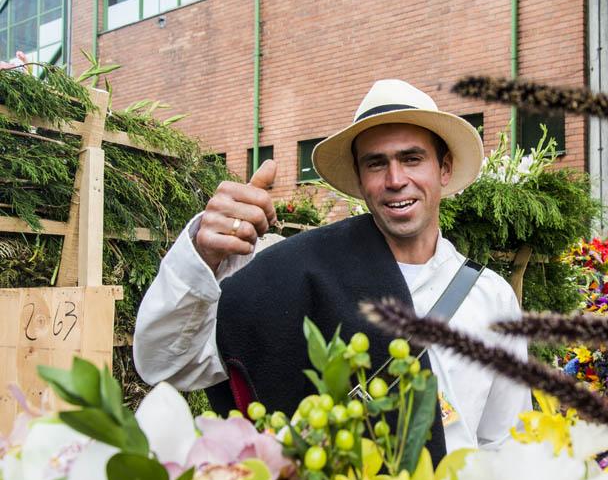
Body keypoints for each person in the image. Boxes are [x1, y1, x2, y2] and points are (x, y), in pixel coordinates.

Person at [133, 79, 532, 458]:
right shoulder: (301, 277)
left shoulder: (491, 297)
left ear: (443, 170)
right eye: (376, 164)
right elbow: (164, 361)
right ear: (359, 180)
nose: (396, 179)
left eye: (412, 158)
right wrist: (205, 252)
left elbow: (504, 443)